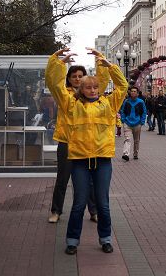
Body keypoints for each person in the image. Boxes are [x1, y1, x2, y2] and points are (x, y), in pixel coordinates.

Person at [46, 47, 127, 255]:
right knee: (79, 203)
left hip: (102, 160)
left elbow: (123, 86)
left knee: (103, 203)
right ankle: (72, 241)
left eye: (95, 87)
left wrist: (111, 67)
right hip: (80, 160)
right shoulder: (71, 105)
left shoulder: (108, 104)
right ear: (81, 89)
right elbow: (55, 85)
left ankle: (105, 239)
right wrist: (57, 63)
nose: (92, 90)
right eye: (88, 88)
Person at [47, 48, 109, 224]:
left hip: (85, 142)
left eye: (80, 76)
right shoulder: (63, 94)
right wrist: (58, 63)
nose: (77, 78)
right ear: (69, 78)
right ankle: (56, 211)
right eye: (74, 76)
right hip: (67, 141)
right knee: (62, 178)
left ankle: (94, 210)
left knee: (89, 180)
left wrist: (100, 61)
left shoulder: (91, 95)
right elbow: (52, 81)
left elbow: (102, 82)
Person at [120, 86, 147, 161]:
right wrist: (123, 119)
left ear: (137, 93)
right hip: (127, 123)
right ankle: (126, 154)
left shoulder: (140, 102)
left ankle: (135, 154)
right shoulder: (126, 101)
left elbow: (144, 112)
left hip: (137, 123)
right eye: (132, 91)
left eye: (135, 91)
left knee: (136, 140)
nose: (133, 92)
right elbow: (122, 111)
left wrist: (142, 122)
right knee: (127, 139)